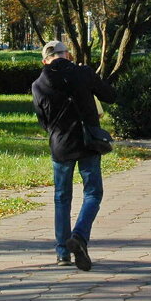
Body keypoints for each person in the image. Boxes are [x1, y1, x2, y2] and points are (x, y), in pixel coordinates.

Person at [32, 40, 117, 271]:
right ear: (66, 55)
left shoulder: (39, 83)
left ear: (45, 60)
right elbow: (110, 95)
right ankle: (79, 236)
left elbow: (43, 120)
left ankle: (62, 253)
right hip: (88, 141)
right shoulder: (83, 73)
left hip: (60, 145)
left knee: (61, 198)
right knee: (93, 192)